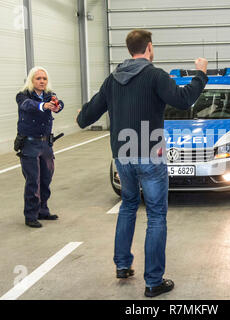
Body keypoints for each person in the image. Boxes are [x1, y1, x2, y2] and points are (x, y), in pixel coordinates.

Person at [76, 29, 208, 297]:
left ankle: (123, 266)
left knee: (128, 205)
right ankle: (153, 282)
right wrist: (200, 74)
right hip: (150, 154)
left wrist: (81, 113)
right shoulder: (155, 75)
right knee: (156, 215)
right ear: (149, 48)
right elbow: (183, 101)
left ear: (129, 49)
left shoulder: (112, 80)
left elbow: (85, 117)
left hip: (122, 156)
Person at [15, 67, 64, 228]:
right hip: (29, 144)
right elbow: (28, 105)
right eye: (38, 78)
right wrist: (44, 106)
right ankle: (30, 215)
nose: (42, 81)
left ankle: (43, 210)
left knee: (45, 179)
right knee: (32, 181)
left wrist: (57, 106)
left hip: (46, 144)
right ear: (31, 80)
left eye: (44, 78)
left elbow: (59, 103)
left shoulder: (50, 95)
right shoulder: (23, 96)